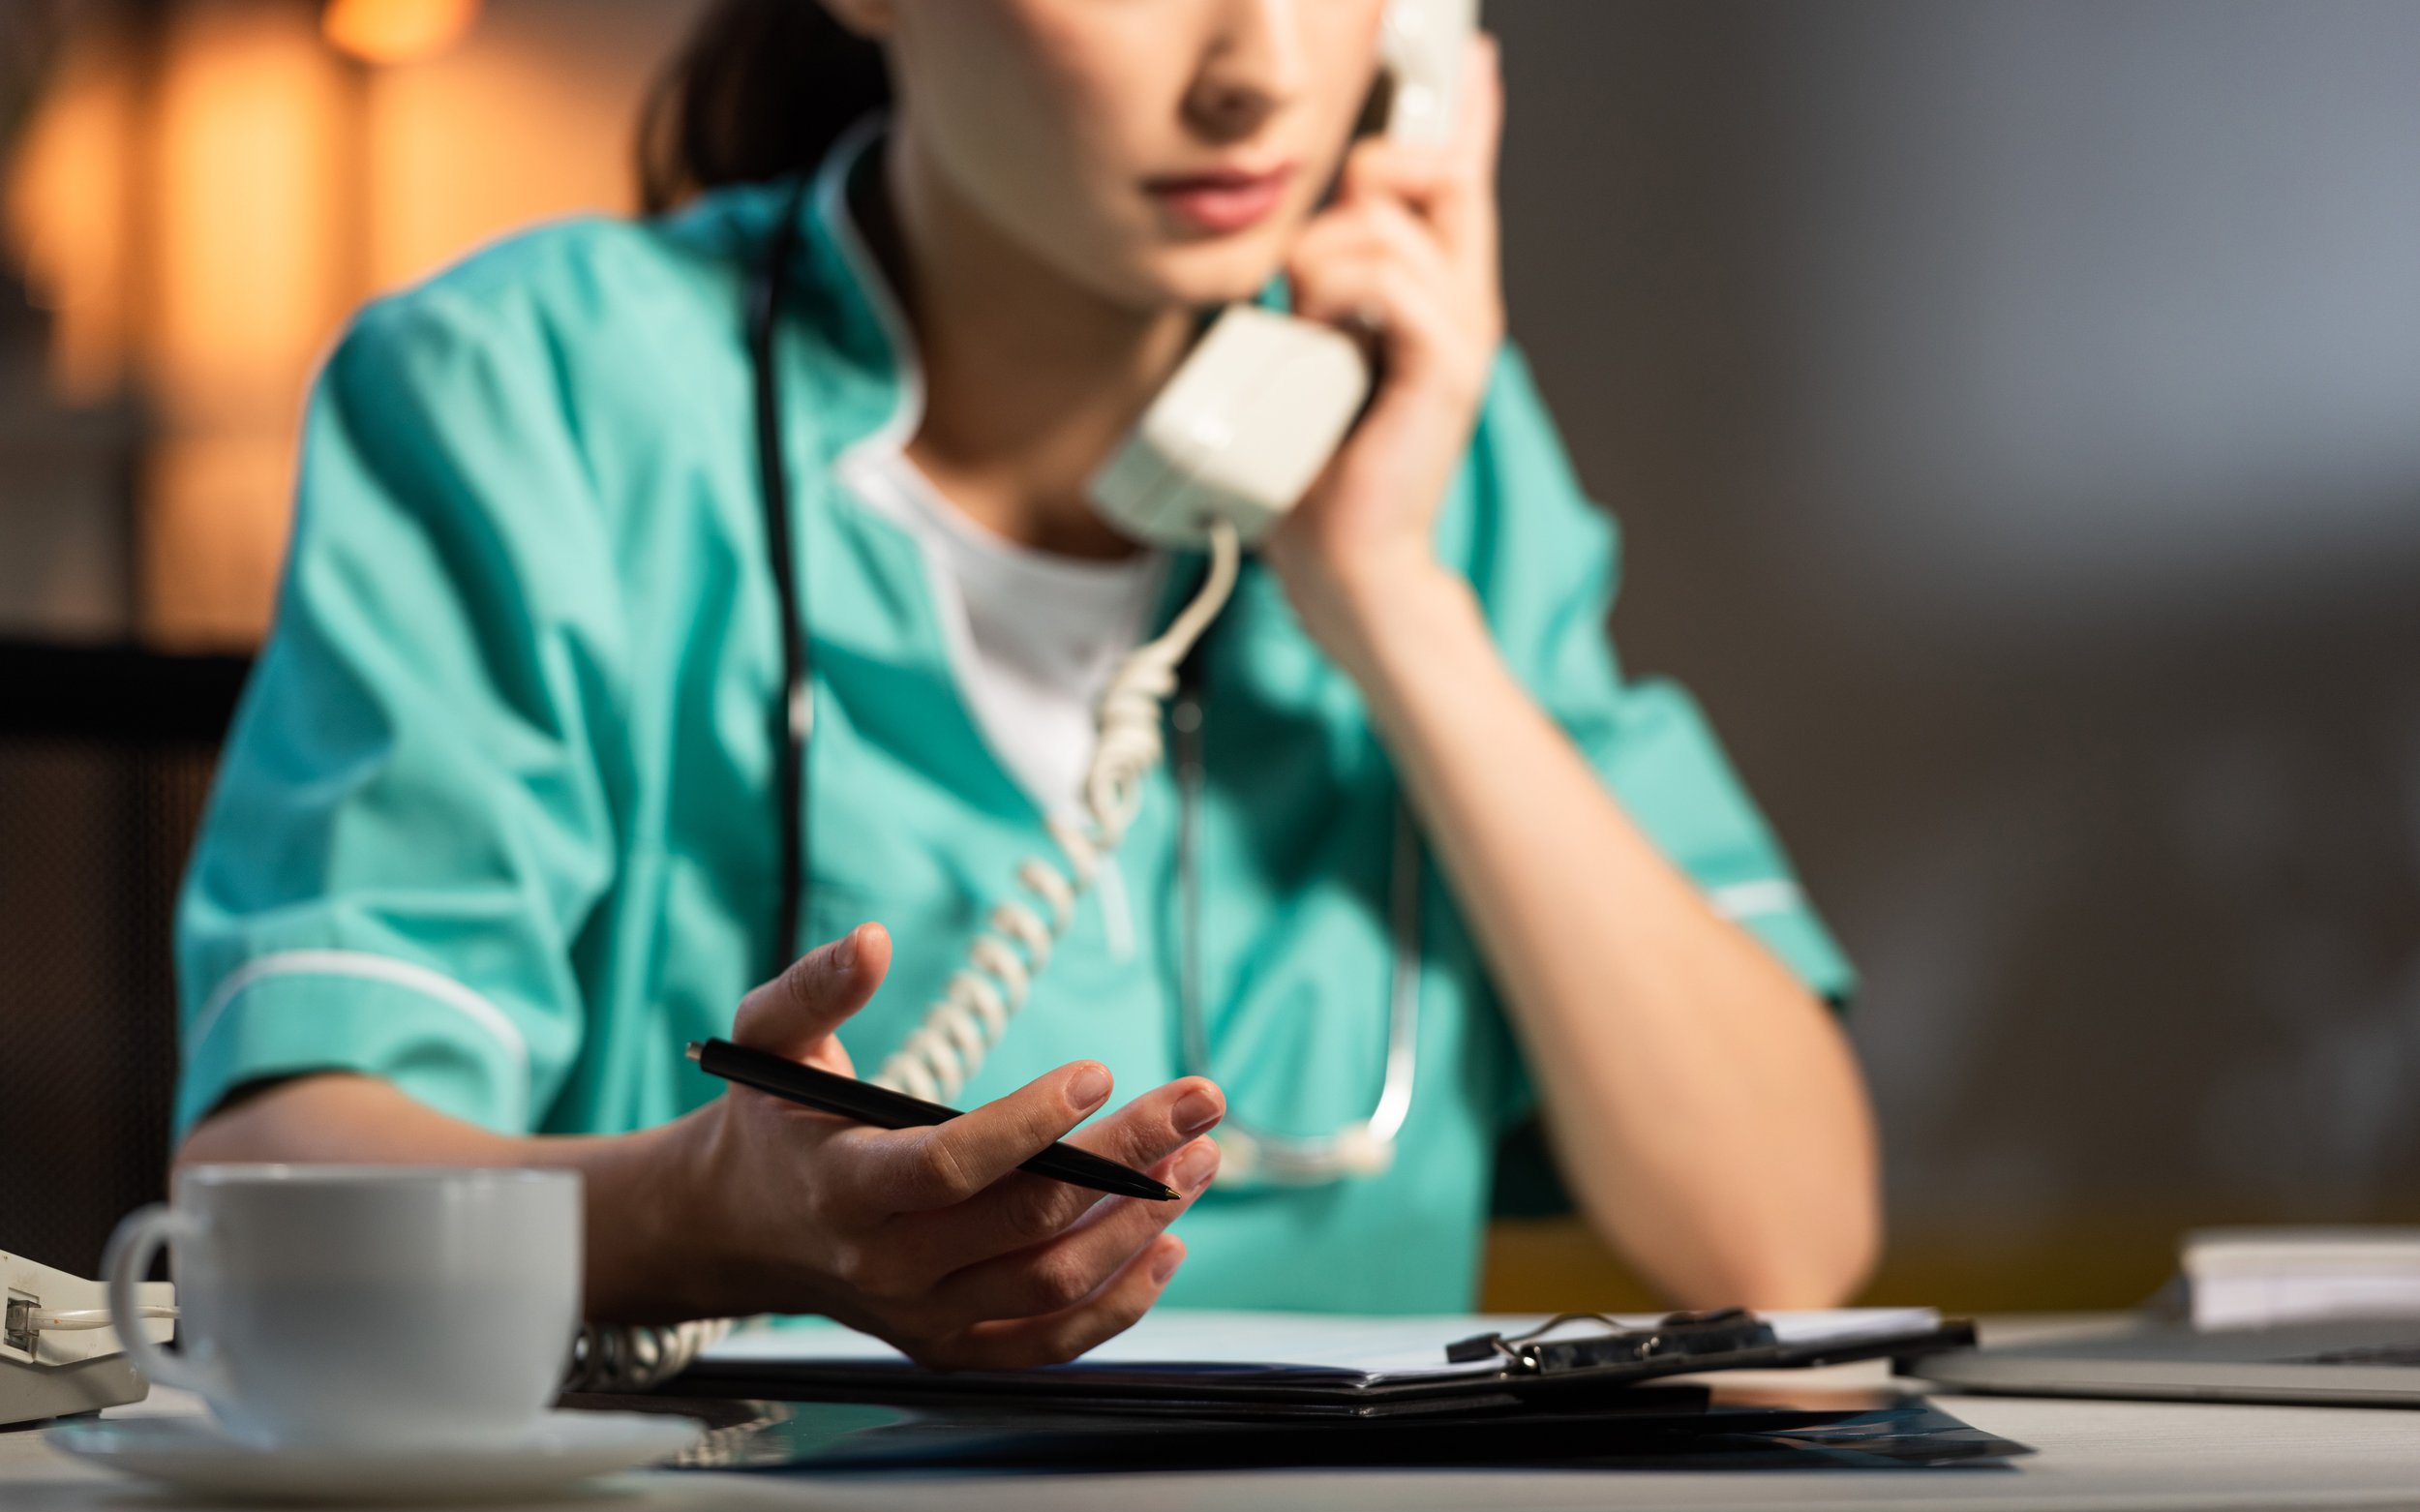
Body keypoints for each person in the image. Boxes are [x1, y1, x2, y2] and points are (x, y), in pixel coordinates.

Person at [173, 0, 1879, 1370]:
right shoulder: (527, 394)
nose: (1258, 72)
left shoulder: (1425, 438)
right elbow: (264, 1195)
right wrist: (709, 1208)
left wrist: (1385, 592)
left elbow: (1785, 1234)